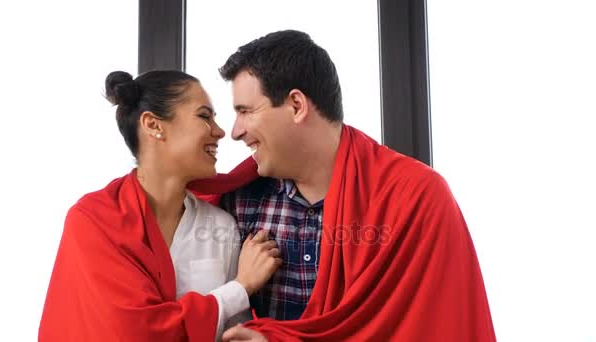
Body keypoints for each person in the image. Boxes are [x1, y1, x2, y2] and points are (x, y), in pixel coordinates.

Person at [188, 30, 497, 341]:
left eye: (245, 111)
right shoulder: (236, 204)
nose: (235, 131)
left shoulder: (417, 197)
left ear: (296, 106)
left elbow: (443, 325)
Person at [39, 70, 282, 341]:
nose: (220, 131)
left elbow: (235, 332)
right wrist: (241, 286)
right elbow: (131, 331)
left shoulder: (220, 226)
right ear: (153, 125)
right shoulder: (91, 219)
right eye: (204, 116)